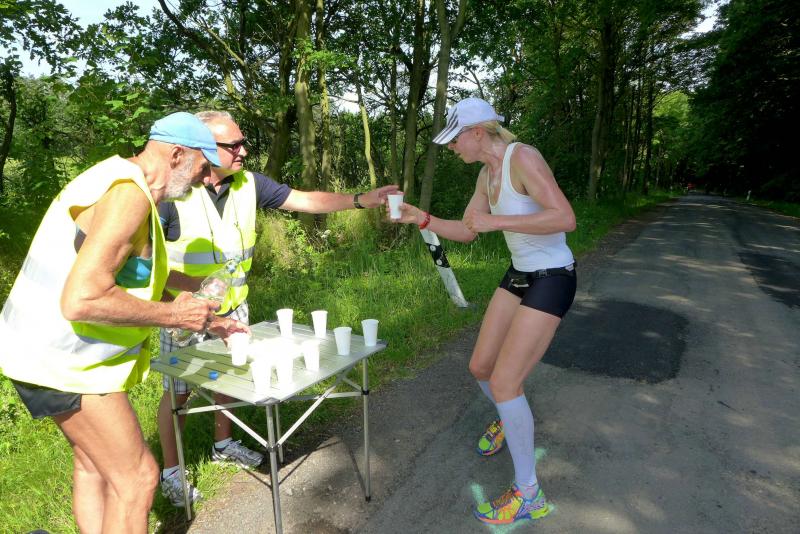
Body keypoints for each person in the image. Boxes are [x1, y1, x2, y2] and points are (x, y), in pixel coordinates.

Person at [0, 112, 235, 534]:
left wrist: (206, 316)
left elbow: (129, 273)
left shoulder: (119, 178)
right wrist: (175, 315)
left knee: (94, 465)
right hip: (64, 362)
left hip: (38, 351)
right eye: (203, 167)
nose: (205, 179)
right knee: (138, 478)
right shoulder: (129, 196)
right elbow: (83, 298)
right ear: (176, 155)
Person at [156, 110, 399, 507]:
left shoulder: (249, 184)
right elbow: (149, 267)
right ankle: (171, 471)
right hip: (183, 314)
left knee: (230, 378)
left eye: (243, 142)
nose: (243, 151)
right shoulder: (174, 193)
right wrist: (183, 302)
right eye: (234, 145)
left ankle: (223, 445)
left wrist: (360, 200)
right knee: (177, 394)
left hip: (234, 308)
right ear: (205, 148)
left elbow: (305, 200)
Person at [391, 97, 577, 525]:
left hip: (553, 277)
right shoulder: (484, 175)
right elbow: (467, 231)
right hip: (520, 274)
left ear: (477, 133)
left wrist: (499, 221)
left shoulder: (522, 158)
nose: (451, 147)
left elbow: (564, 218)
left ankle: (529, 494)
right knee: (480, 367)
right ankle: (509, 418)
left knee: (506, 382)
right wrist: (421, 218)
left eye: (454, 139)